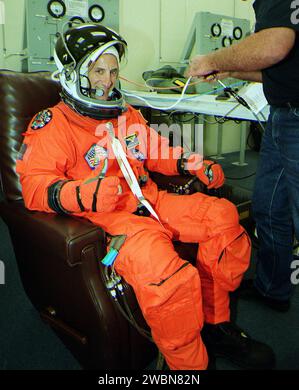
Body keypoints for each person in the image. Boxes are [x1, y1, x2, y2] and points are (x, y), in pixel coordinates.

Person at [16, 23, 274, 370]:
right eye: (98, 71)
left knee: (223, 219)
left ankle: (216, 324)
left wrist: (189, 162)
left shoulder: (125, 114)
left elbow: (155, 151)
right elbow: (32, 188)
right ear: (73, 72)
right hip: (112, 221)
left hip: (150, 200)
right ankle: (186, 367)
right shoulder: (52, 124)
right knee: (170, 277)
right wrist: (86, 194)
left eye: (113, 70)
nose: (108, 81)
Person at [186, 0, 299, 313]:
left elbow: (275, 46)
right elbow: (278, 64)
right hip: (283, 119)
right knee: (267, 205)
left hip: (296, 120)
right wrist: (229, 70)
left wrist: (213, 58)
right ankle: (273, 288)